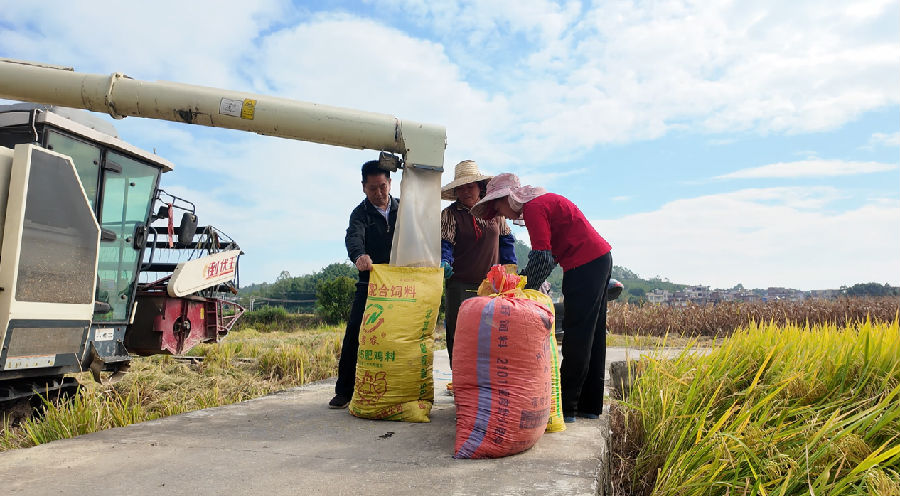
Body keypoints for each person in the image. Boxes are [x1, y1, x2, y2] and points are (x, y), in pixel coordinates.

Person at [471, 173, 612, 423]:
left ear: (509, 198)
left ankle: (568, 406)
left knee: (578, 332)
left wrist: (523, 291)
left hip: (585, 264)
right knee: (593, 333)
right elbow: (550, 254)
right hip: (598, 259)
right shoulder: (542, 202)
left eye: (499, 208)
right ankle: (589, 405)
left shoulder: (535, 207)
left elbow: (542, 257)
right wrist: (527, 282)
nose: (502, 214)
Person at [329, 160, 398, 409]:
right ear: (363, 188)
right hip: (370, 281)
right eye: (372, 189)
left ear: (390, 183)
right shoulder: (359, 214)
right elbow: (353, 237)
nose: (379, 194)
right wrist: (359, 256)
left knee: (400, 337)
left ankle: (398, 387)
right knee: (354, 334)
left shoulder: (404, 209)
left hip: (401, 286)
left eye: (383, 187)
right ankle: (344, 391)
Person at [439, 160, 517, 376]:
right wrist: (445, 261)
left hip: (491, 285)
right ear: (455, 191)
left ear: (479, 187)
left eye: (470, 186)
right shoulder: (450, 215)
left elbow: (506, 239)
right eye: (461, 188)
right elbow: (446, 244)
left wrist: (510, 265)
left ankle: (486, 379)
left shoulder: (495, 212)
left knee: (489, 332)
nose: (466, 191)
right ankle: (461, 379)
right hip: (460, 284)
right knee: (459, 332)